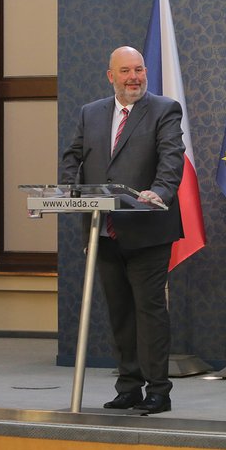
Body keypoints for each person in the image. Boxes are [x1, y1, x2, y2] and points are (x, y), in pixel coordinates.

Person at [60, 46, 185, 414]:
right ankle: (128, 385)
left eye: (139, 69)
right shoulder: (90, 112)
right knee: (119, 312)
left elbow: (171, 157)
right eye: (126, 71)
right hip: (103, 230)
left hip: (147, 229)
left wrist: (159, 192)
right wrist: (70, 189)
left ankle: (158, 391)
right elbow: (73, 155)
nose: (134, 77)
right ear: (110, 75)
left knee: (149, 312)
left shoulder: (164, 109)